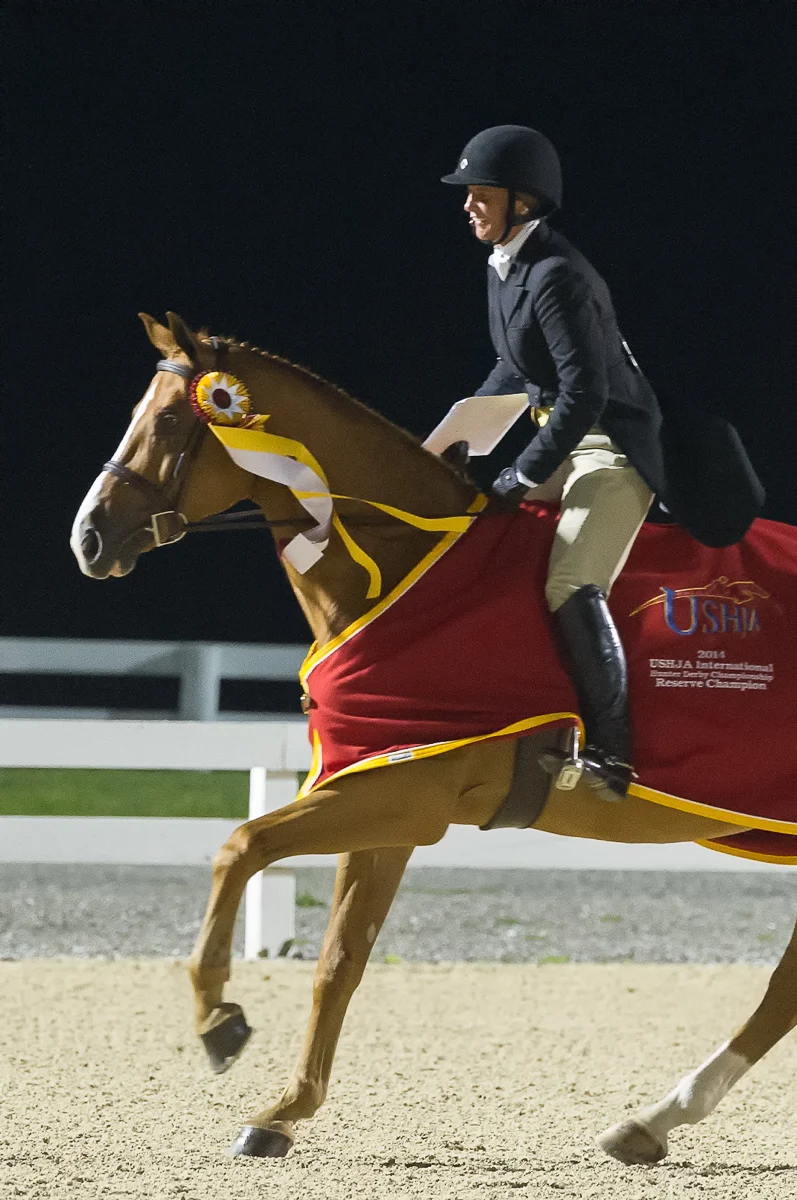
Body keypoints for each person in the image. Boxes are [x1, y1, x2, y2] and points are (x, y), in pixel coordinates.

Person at [439, 125, 671, 798]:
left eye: (481, 195)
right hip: (566, 440)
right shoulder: (506, 269)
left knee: (568, 579)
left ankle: (612, 752)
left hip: (611, 448)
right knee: (482, 534)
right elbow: (509, 371)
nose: (468, 206)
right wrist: (455, 440)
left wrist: (519, 472)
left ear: (523, 201)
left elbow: (585, 393)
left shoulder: (558, 276)